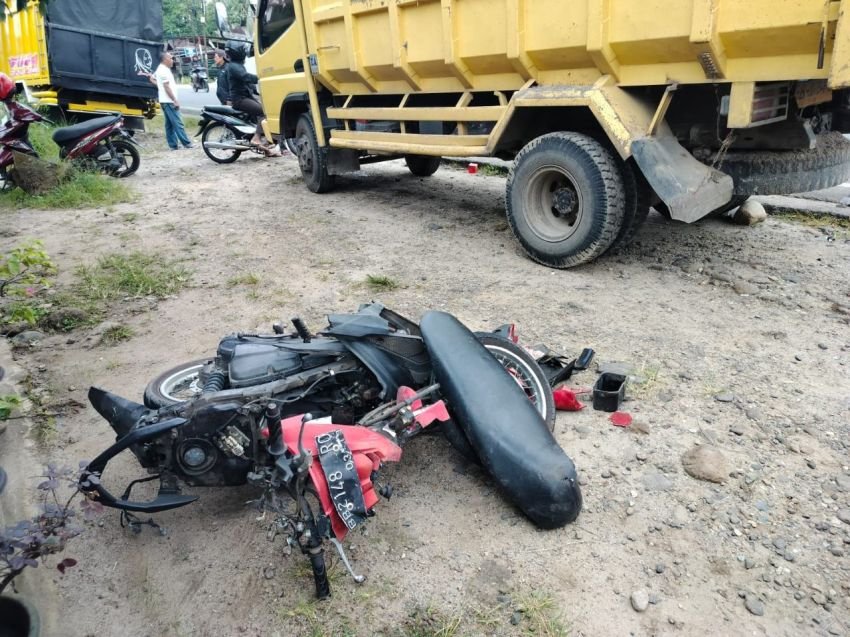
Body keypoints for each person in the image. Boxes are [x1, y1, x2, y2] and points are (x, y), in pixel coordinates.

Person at [224, 43, 282, 157]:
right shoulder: (233, 66)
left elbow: (247, 83)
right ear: (238, 52)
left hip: (246, 97)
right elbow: (246, 77)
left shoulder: (238, 65)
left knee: (265, 114)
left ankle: (267, 147)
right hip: (240, 99)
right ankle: (256, 138)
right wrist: (262, 78)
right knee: (263, 112)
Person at [146, 51, 194, 151]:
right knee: (177, 122)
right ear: (165, 60)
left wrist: (156, 82)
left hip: (164, 100)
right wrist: (174, 100)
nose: (173, 60)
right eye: (171, 58)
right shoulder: (163, 71)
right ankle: (187, 143)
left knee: (169, 124)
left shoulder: (161, 69)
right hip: (168, 101)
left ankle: (173, 145)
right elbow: (166, 87)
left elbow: (152, 79)